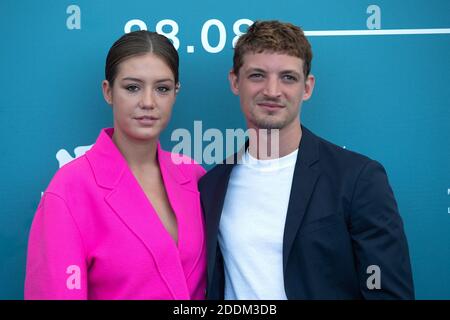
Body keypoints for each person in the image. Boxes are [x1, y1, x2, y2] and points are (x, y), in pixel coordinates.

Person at [198, 20, 414, 299]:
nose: (272, 91)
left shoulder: (357, 178)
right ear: (235, 82)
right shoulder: (212, 185)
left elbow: (387, 292)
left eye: (288, 77)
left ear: (307, 87)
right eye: (257, 75)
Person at [25, 30, 206, 299]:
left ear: (176, 92)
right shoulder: (70, 188)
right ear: (108, 92)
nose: (148, 102)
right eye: (132, 87)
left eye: (162, 88)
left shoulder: (194, 176)